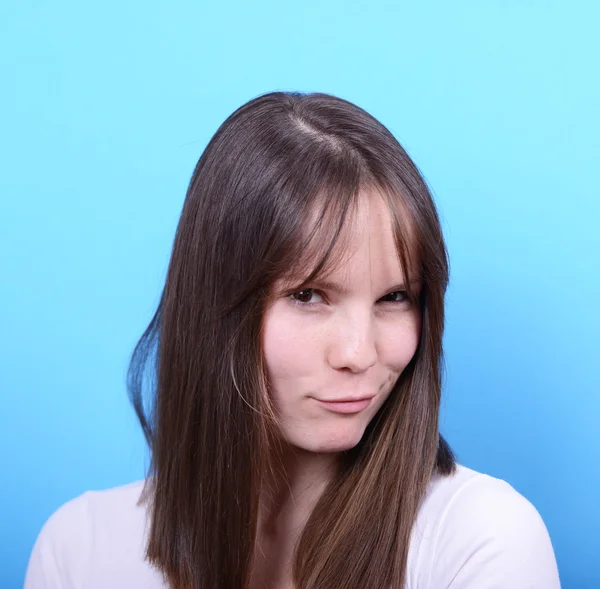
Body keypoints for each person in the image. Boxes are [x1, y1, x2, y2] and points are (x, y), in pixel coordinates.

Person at [24, 91, 561, 589]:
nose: (359, 353)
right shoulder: (81, 550)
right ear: (216, 307)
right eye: (309, 296)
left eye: (395, 297)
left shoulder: (482, 541)